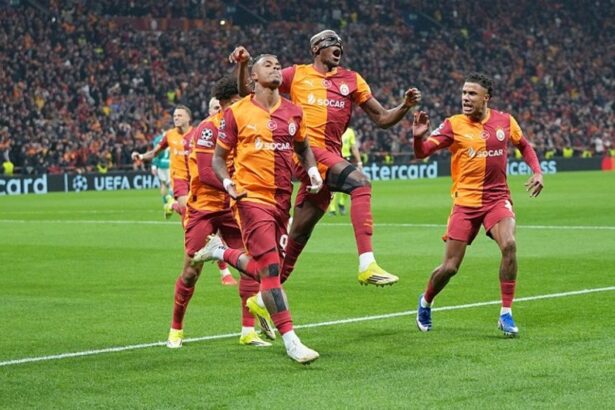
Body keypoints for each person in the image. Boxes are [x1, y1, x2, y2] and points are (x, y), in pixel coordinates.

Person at [230, 30, 421, 287]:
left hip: (330, 158)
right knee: (361, 183)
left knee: (298, 235)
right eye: (332, 42)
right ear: (316, 48)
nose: (338, 46)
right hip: (306, 154)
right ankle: (367, 263)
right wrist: (244, 65)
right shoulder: (296, 74)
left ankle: (265, 297)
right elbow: (249, 90)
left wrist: (405, 106)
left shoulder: (352, 80)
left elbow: (382, 118)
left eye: (340, 43)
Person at [209, 54, 323, 364]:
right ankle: (291, 341)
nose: (275, 67)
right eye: (267, 64)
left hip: (281, 201)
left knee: (270, 271)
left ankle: (221, 251)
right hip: (250, 199)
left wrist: (312, 171)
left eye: (277, 64)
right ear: (253, 78)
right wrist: (228, 183)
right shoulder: (237, 113)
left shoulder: (293, 111)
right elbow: (218, 158)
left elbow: (303, 148)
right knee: (272, 272)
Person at [411, 72, 544, 337]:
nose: (465, 98)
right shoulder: (453, 125)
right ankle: (425, 301)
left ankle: (506, 313)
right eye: (463, 93)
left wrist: (537, 172)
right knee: (450, 267)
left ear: (486, 97)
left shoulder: (505, 121)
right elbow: (422, 152)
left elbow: (525, 146)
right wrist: (417, 137)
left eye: (472, 93)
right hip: (466, 202)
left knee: (509, 244)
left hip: (497, 199)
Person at [165, 75, 269, 349]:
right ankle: (176, 328)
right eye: (239, 100)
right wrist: (233, 185)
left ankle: (248, 331)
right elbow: (206, 171)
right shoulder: (208, 129)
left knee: (248, 266)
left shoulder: (246, 126)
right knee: (191, 270)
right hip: (205, 207)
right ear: (227, 102)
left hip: (234, 205)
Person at [132, 105, 193, 220]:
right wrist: (141, 156)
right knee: (186, 209)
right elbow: (154, 152)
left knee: (195, 210)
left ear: (188, 118)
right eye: (175, 116)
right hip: (179, 177)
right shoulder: (169, 135)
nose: (176, 118)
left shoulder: (197, 133)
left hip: (195, 177)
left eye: (180, 115)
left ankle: (172, 204)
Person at [328, 126, 362, 216]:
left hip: (347, 159)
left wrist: (359, 162)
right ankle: (332, 209)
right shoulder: (333, 129)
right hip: (335, 159)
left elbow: (354, 147)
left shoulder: (350, 131)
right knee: (333, 184)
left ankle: (341, 203)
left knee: (349, 183)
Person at [150, 131, 174, 213]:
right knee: (171, 185)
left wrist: (154, 165)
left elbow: (155, 153)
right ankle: (170, 203)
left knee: (163, 185)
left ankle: (165, 203)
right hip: (170, 164)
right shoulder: (173, 137)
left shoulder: (158, 139)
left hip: (161, 165)